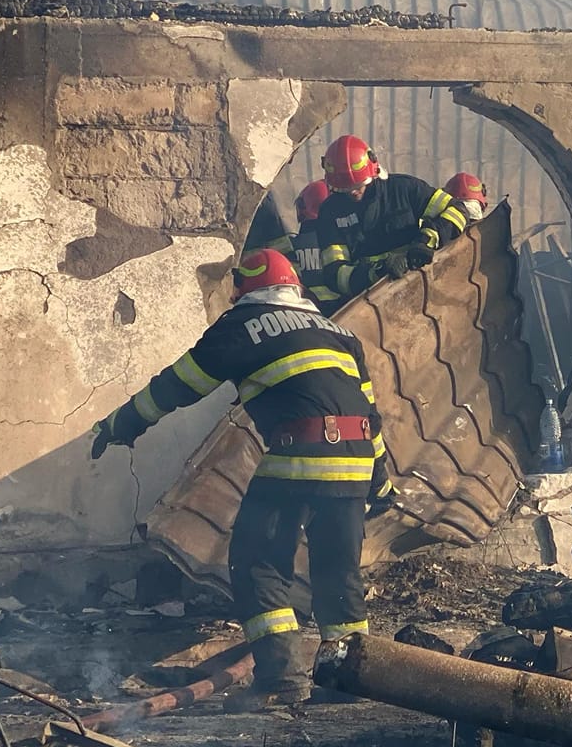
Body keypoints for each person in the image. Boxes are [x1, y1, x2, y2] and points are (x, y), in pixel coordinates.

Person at [88, 248, 391, 705]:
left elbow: (177, 385)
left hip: (297, 456)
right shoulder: (341, 335)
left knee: (258, 562)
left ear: (246, 289)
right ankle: (349, 682)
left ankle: (283, 680)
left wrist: (122, 424)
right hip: (356, 462)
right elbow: (370, 415)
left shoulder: (241, 327)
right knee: (337, 571)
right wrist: (381, 479)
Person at [313, 135, 468, 299]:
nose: (352, 191)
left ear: (373, 172)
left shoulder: (404, 189)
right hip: (372, 299)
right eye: (344, 188)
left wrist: (426, 240)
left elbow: (458, 211)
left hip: (427, 282)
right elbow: (335, 275)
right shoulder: (330, 212)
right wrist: (377, 271)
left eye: (358, 185)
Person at [285, 180, 340, 307]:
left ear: (303, 208)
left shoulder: (291, 246)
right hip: (345, 310)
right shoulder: (342, 242)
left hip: (307, 313)